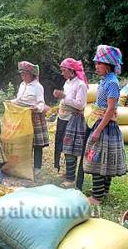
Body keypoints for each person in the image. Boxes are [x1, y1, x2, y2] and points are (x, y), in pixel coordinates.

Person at [83, 45, 127, 205]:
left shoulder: (112, 83)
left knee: (97, 158)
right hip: (100, 123)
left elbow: (110, 110)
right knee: (103, 159)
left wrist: (97, 131)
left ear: (108, 65)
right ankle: (102, 191)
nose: (96, 67)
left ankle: (97, 197)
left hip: (106, 127)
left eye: (99, 64)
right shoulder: (104, 81)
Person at [53, 58, 88, 187]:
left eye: (64, 70)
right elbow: (66, 100)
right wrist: (61, 97)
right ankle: (69, 172)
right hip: (63, 117)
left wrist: (64, 97)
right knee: (62, 145)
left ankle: (70, 179)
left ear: (71, 71)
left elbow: (80, 105)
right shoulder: (67, 83)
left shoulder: (81, 85)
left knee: (70, 148)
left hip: (73, 119)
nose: (62, 73)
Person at [12, 61, 50, 175]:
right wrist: (10, 102)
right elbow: (19, 99)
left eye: (24, 74)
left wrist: (36, 108)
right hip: (23, 116)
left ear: (31, 74)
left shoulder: (38, 87)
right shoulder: (22, 85)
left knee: (37, 143)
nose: (22, 76)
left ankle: (37, 167)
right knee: (25, 141)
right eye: (21, 74)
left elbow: (41, 104)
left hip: (34, 116)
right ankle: (25, 165)